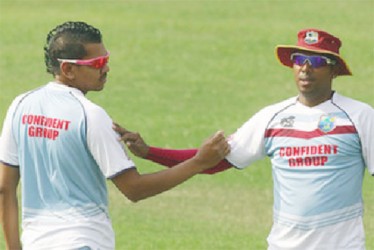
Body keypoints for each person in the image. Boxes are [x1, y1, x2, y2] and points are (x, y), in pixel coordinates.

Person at [114, 28, 374, 249]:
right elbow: (213, 161)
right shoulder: (272, 117)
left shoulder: (360, 117)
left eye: (316, 62)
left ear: (334, 70)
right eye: (299, 59)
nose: (305, 68)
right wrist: (150, 152)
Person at [0, 21, 230, 250]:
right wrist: (199, 162)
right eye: (97, 63)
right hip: (84, 242)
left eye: (106, 60)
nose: (106, 69)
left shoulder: (20, 106)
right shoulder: (90, 116)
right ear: (68, 69)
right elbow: (134, 189)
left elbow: (4, 188)